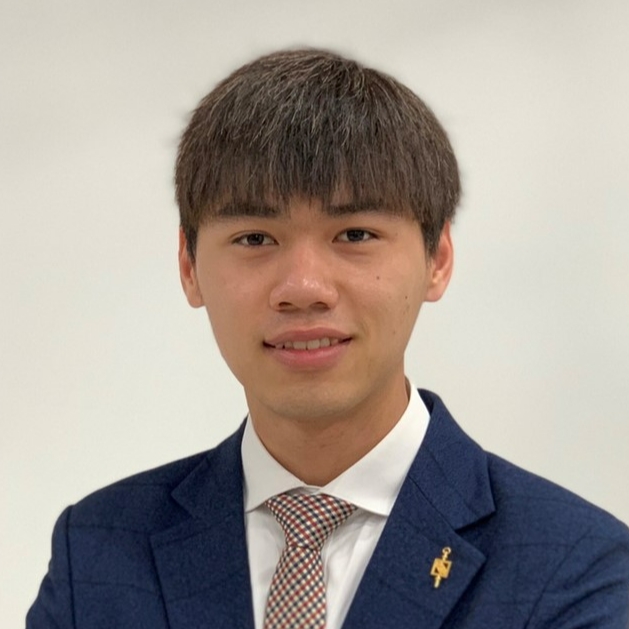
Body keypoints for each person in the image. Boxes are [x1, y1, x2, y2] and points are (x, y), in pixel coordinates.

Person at [28, 48, 629, 629]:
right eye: (255, 239)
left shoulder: (576, 567)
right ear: (189, 266)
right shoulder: (97, 555)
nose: (304, 288)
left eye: (355, 234)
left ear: (438, 258)